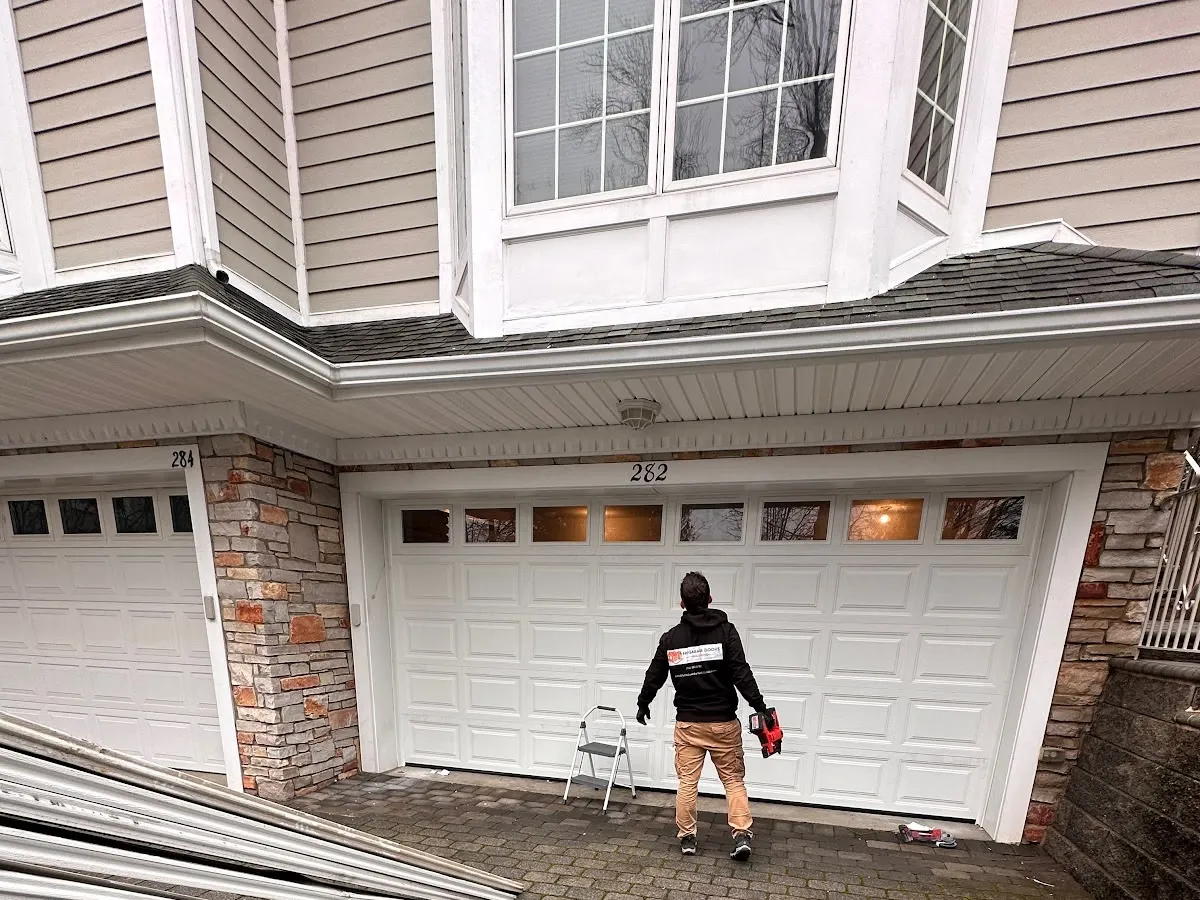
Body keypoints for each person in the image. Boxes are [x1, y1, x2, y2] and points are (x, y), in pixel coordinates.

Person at [636, 571, 771, 861]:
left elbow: (654, 675)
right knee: (733, 780)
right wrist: (759, 705)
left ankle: (687, 838)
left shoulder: (671, 638)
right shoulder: (726, 632)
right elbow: (741, 672)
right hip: (723, 723)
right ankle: (741, 835)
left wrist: (643, 703)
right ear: (709, 599)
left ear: (681, 603)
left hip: (689, 725)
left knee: (687, 782)